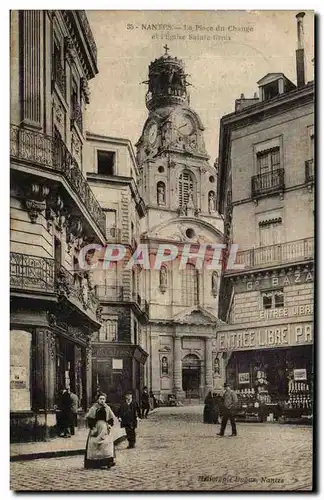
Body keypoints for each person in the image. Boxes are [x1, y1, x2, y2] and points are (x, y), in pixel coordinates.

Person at [84, 392, 116, 469]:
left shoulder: (107, 408)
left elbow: (111, 418)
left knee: (106, 444)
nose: (102, 400)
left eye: (103, 399)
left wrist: (109, 424)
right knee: (94, 444)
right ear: (98, 399)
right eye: (100, 399)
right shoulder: (94, 408)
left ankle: (108, 461)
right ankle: (94, 463)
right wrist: (93, 427)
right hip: (96, 428)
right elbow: (89, 418)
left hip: (105, 428)